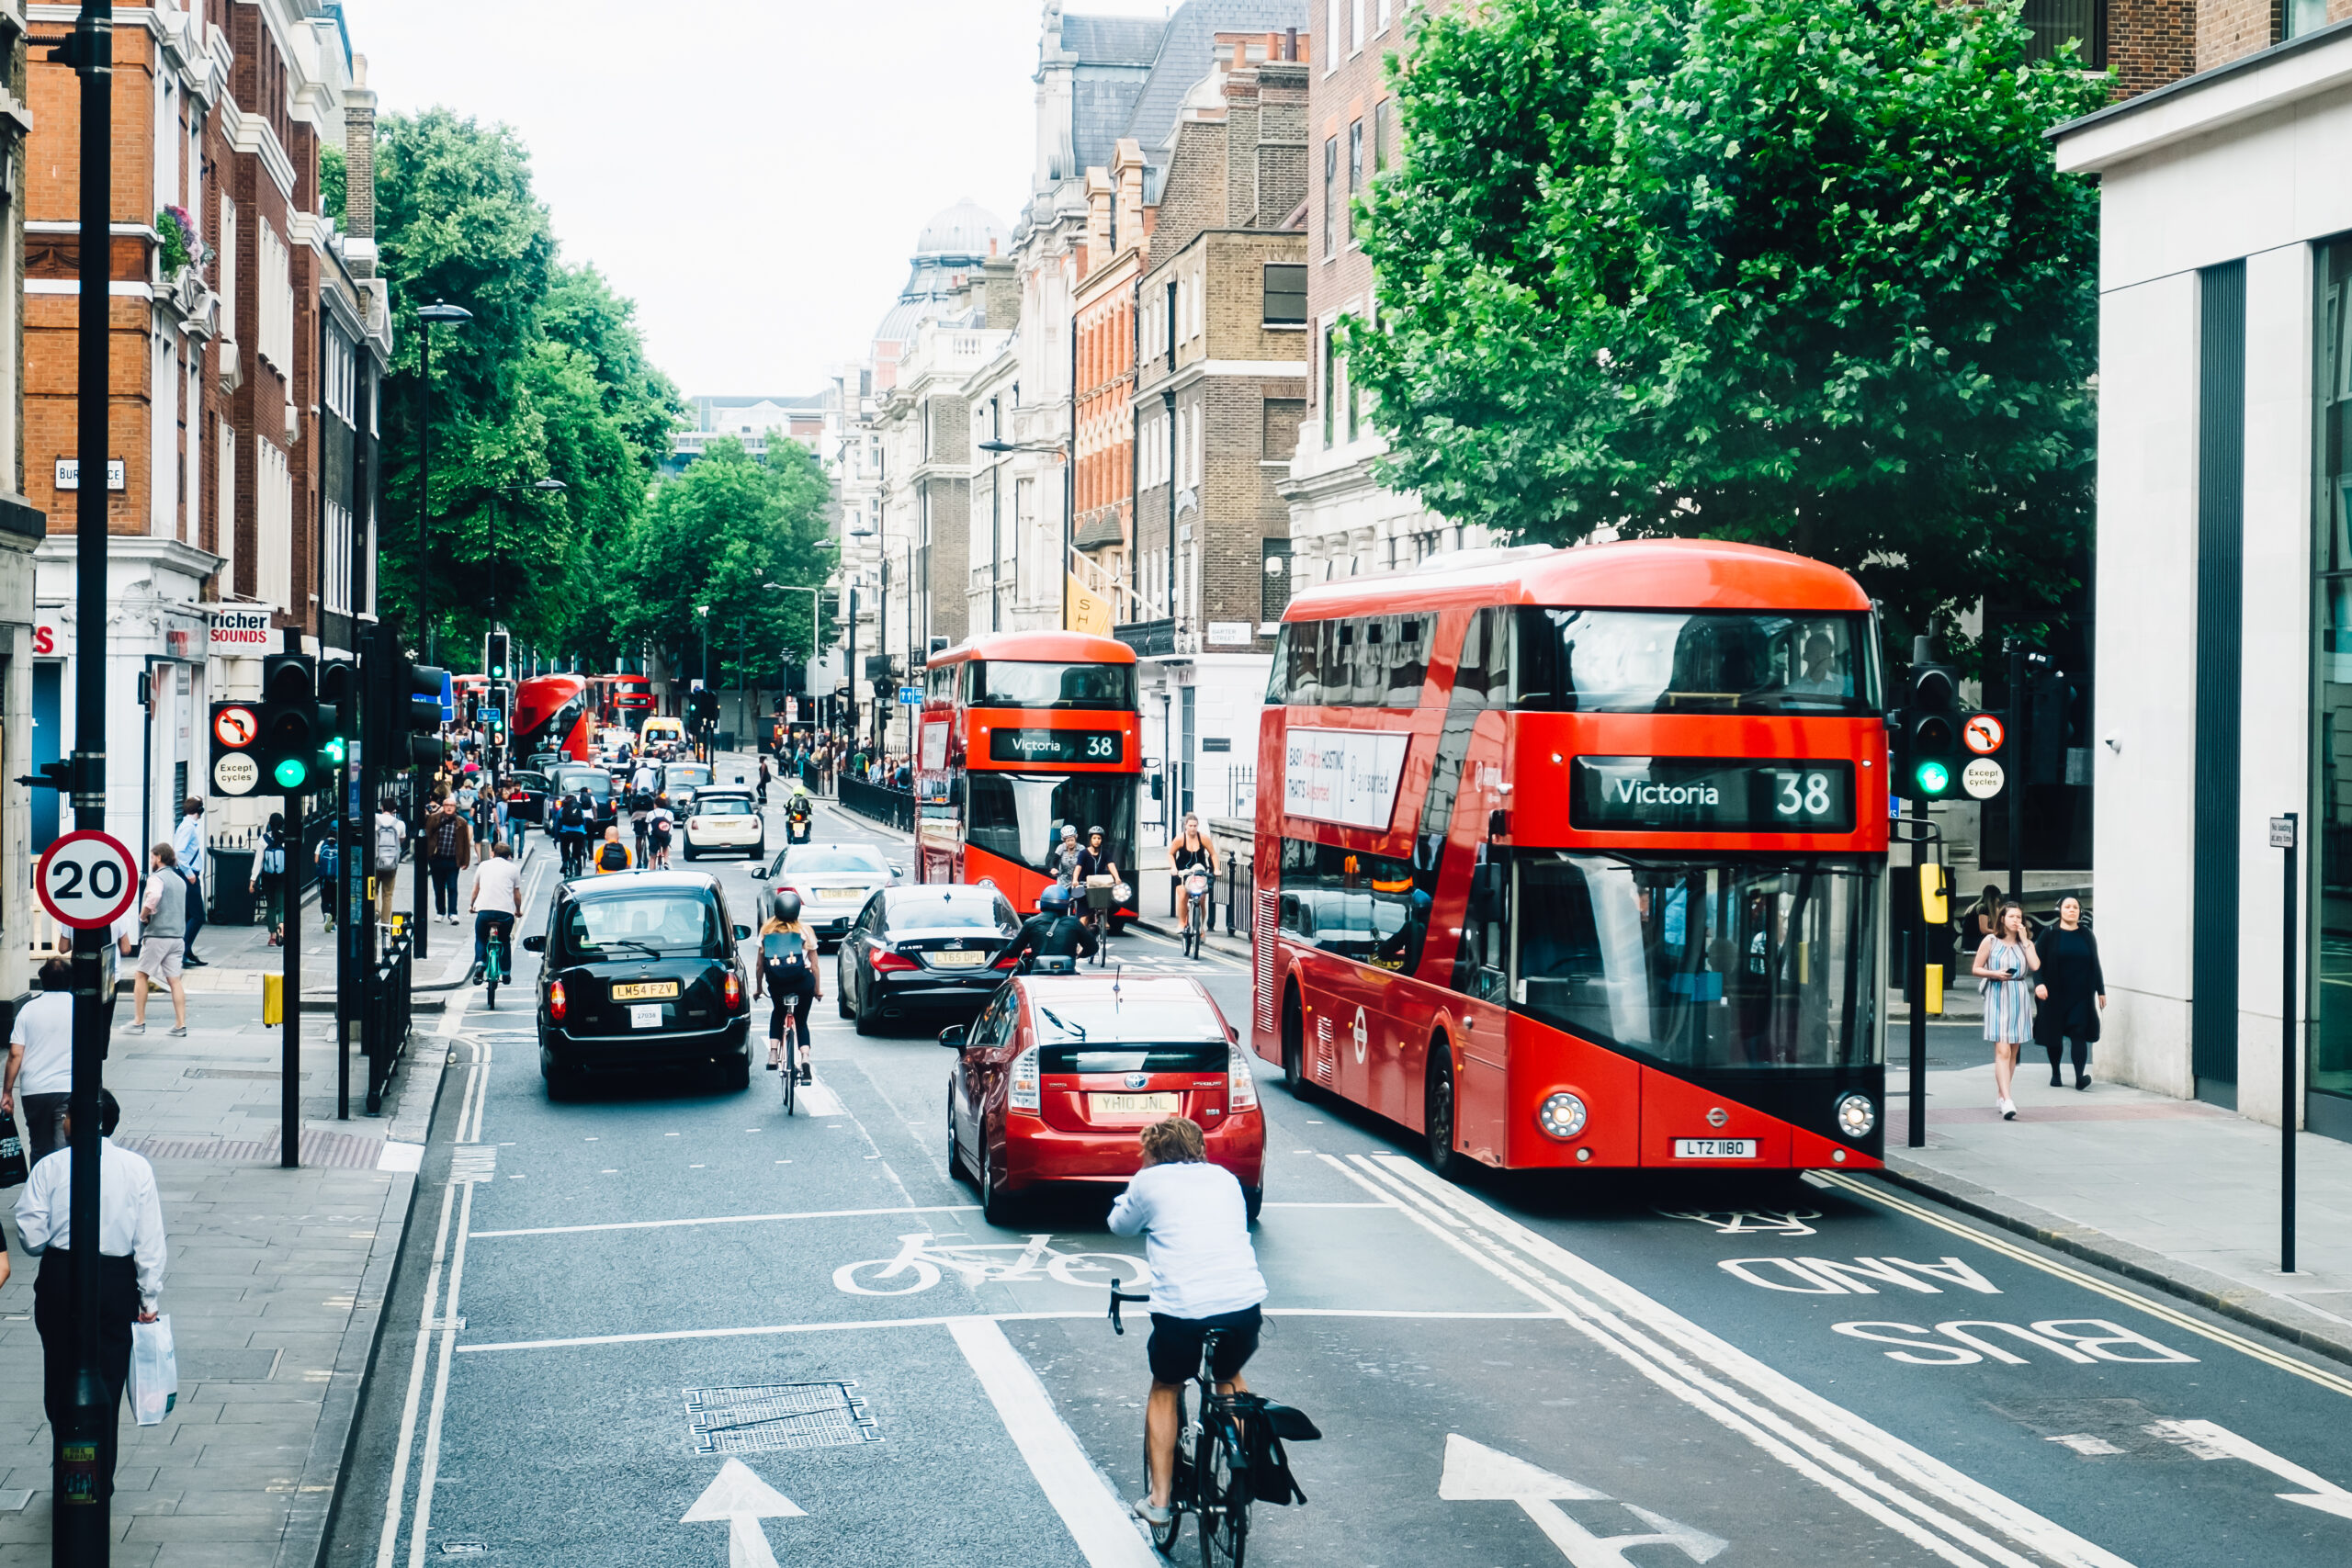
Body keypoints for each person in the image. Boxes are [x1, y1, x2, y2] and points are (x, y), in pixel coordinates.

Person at [1107, 1115, 1267, 1529]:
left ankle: (1160, 1500)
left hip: (1181, 1312)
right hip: (1243, 1306)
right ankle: (1247, 1471)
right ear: (1199, 1149)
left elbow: (1119, 1226)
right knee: (1228, 1375)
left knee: (1166, 1386)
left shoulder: (1148, 1181)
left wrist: (1134, 1188)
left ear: (1153, 1152)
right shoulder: (1226, 1178)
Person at [16, 1089, 167, 1504]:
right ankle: (100, 1476)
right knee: (108, 1382)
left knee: (60, 1375)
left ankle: (68, 1463)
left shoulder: (49, 1167)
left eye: (65, 1115)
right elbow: (149, 1240)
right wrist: (148, 1300)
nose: (61, 1121)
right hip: (115, 1281)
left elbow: (30, 1236)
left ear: (75, 1122)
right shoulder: (137, 1169)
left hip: (61, 1276)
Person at [5, 958, 75, 1165]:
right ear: (70, 980)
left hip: (34, 1091)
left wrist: (7, 1092)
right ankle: (62, 1192)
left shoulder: (28, 1010)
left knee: (39, 1148)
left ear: (42, 980)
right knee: (63, 1151)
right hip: (67, 1088)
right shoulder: (80, 1008)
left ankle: (38, 1191)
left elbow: (15, 1054)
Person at [1973, 901, 2039, 1121]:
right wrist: (1994, 974)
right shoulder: (1990, 941)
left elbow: (2036, 965)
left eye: (2019, 917)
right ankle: (2008, 1100)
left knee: (2013, 1052)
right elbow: (1976, 968)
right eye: (2012, 917)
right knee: (2002, 1051)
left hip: (2019, 995)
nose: (2016, 921)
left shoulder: (2025, 944)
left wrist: (2026, 941)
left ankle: (2002, 1095)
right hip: (1998, 994)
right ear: (2002, 919)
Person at [2033, 897, 2106, 1091]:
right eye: (2067, 907)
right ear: (2060, 910)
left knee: (2078, 1032)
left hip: (2081, 994)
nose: (2072, 910)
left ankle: (2079, 1077)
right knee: (2054, 1035)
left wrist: (2101, 990)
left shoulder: (2086, 934)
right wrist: (2039, 984)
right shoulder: (2049, 934)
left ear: (2080, 912)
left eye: (2075, 907)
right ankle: (2055, 1073)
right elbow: (2036, 963)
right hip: (2053, 994)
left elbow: (2095, 963)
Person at [754, 897, 820, 1083]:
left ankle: (773, 1054)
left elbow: (760, 966)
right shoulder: (805, 931)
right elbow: (814, 966)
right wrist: (817, 990)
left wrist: (759, 988)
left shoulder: (766, 932)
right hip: (802, 983)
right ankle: (805, 1058)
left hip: (777, 984)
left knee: (778, 1013)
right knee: (801, 1021)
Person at [131, 842, 190, 1036]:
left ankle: (139, 1021)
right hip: (178, 937)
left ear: (158, 858)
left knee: (141, 975)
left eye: (152, 857)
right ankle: (180, 1024)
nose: (151, 861)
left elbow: (154, 897)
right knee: (175, 981)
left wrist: (143, 915)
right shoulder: (180, 880)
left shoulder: (156, 878)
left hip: (158, 935)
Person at [1000, 883, 1096, 971]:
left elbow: (1011, 951)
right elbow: (1092, 948)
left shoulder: (1031, 922)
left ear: (1043, 902)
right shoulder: (1074, 922)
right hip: (1067, 974)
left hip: (1038, 974)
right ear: (1066, 904)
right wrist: (1078, 955)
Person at [469, 840, 524, 984]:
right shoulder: (513, 869)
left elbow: (476, 890)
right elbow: (516, 894)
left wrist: (472, 905)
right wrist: (518, 910)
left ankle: (480, 965)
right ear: (509, 856)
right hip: (505, 913)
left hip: (485, 911)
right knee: (505, 940)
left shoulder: (483, 865)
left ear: (493, 853)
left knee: (481, 938)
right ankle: (505, 973)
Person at [172, 797, 208, 967]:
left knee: (188, 915)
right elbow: (178, 851)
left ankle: (187, 950)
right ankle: (183, 951)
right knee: (198, 915)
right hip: (189, 876)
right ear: (198, 811)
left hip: (187, 874)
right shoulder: (188, 828)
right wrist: (189, 873)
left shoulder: (186, 825)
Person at [424, 796, 472, 926]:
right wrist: (428, 855)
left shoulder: (461, 822)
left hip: (453, 860)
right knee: (438, 888)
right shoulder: (434, 818)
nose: (449, 807)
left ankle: (453, 913)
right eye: (446, 805)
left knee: (452, 887)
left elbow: (465, 843)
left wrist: (465, 861)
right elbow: (427, 836)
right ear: (443, 806)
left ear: (455, 807)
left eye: (451, 805)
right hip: (437, 859)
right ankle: (440, 912)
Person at [1168, 815, 1217, 935]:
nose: (1193, 828)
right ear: (1185, 826)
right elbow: (1171, 854)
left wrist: (1216, 869)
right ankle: (1181, 923)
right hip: (1182, 871)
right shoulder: (1180, 839)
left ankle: (1201, 927)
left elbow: (1213, 854)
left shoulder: (1203, 838)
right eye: (1190, 826)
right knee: (1183, 894)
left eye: (1195, 826)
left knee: (1202, 899)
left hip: (1199, 871)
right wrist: (1174, 868)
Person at [251, 811, 288, 946]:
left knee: (271, 906)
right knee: (282, 906)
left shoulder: (263, 839)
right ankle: (282, 928)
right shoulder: (286, 839)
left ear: (270, 824)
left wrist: (253, 880)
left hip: (268, 879)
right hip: (282, 878)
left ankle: (272, 935)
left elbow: (258, 862)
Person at [374, 795, 407, 925]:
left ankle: (375, 910)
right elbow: (402, 839)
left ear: (382, 807)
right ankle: (385, 923)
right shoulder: (400, 824)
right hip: (391, 864)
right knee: (388, 894)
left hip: (375, 861)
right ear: (394, 809)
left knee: (372, 889)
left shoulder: (374, 819)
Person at [556, 789, 591, 877]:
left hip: (566, 833)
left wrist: (556, 838)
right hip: (579, 834)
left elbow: (557, 825)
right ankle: (578, 873)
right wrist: (584, 834)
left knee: (564, 847)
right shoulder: (580, 810)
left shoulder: (562, 810)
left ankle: (565, 862)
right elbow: (584, 823)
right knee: (577, 855)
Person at [316, 828, 340, 932]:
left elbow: (316, 860)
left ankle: (326, 914)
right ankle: (333, 923)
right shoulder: (340, 843)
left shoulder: (322, 843)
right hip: (335, 877)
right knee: (335, 899)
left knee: (325, 898)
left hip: (323, 877)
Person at [647, 795, 676, 870]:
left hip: (654, 836)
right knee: (665, 847)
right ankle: (666, 862)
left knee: (653, 855)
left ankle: (652, 871)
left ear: (655, 804)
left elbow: (647, 822)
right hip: (666, 836)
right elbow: (671, 822)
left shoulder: (650, 813)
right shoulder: (669, 813)